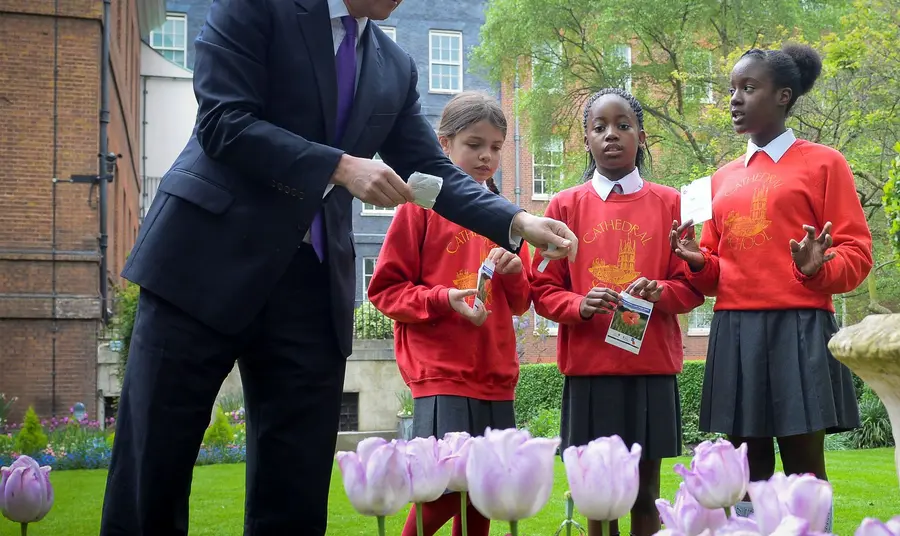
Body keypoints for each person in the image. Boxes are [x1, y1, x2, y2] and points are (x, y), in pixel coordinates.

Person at [98, 0, 579, 534]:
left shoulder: (393, 66)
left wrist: (517, 221)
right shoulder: (258, 8)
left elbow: (433, 170)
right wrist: (339, 165)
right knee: (153, 471)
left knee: (296, 489)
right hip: (201, 265)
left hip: (310, 287)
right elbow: (222, 122)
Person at [669, 44, 873, 528]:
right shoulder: (719, 179)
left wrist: (814, 268)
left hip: (798, 328)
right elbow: (718, 271)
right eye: (732, 90)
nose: (735, 100)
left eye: (748, 88)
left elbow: (857, 254)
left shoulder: (825, 163)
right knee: (747, 470)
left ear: (784, 96)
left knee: (804, 467)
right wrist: (699, 262)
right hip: (735, 331)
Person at [531, 88, 704, 536]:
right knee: (600, 499)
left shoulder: (671, 203)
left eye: (623, 125)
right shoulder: (563, 207)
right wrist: (578, 304)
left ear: (641, 137)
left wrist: (659, 292)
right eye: (599, 127)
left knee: (645, 495)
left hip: (650, 371)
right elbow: (542, 290)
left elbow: (692, 287)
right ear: (585, 139)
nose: (612, 135)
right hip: (590, 372)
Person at [366, 91, 532, 536]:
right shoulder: (418, 207)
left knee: (483, 496)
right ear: (444, 144)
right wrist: (444, 299)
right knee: (439, 493)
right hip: (441, 373)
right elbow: (385, 290)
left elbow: (519, 303)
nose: (486, 156)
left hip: (495, 373)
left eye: (496, 147)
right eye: (474, 144)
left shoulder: (507, 218)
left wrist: (515, 272)